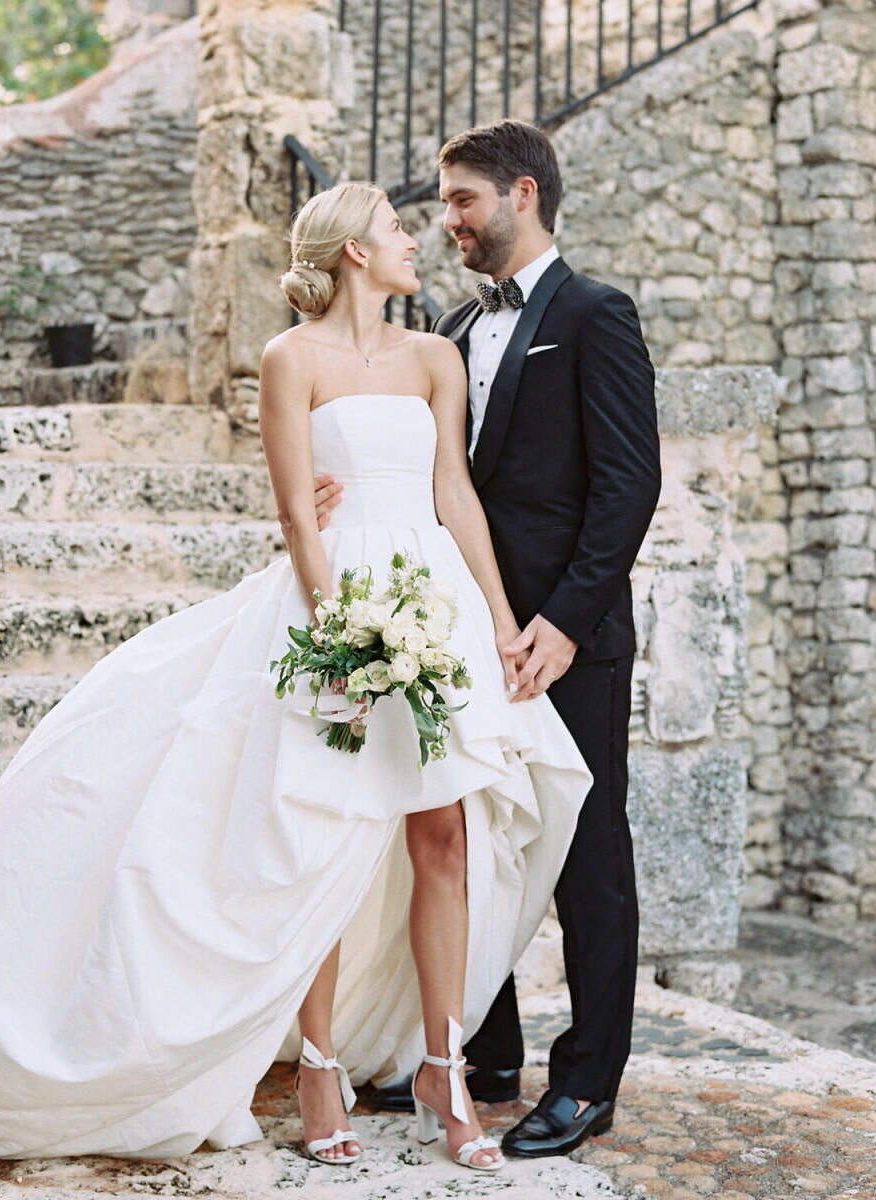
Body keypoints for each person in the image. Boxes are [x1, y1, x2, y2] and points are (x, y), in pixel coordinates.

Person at [0, 182, 591, 1170]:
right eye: (401, 228)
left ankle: (444, 1067)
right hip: (337, 599)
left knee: (443, 835)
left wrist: (495, 619)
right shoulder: (288, 358)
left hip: (433, 595)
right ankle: (318, 1067)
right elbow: (294, 516)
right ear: (354, 249)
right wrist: (341, 636)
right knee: (323, 837)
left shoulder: (433, 356)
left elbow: (454, 492)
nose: (418, 242)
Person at [315, 123, 662, 1158]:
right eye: (441, 205)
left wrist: (561, 625)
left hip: (571, 638)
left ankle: (588, 1081)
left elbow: (628, 487)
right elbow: (438, 482)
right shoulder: (458, 334)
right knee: (471, 838)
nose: (448, 221)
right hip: (464, 630)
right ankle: (482, 1051)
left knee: (585, 856)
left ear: (522, 193)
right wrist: (332, 493)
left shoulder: (597, 315)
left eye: (463, 201)